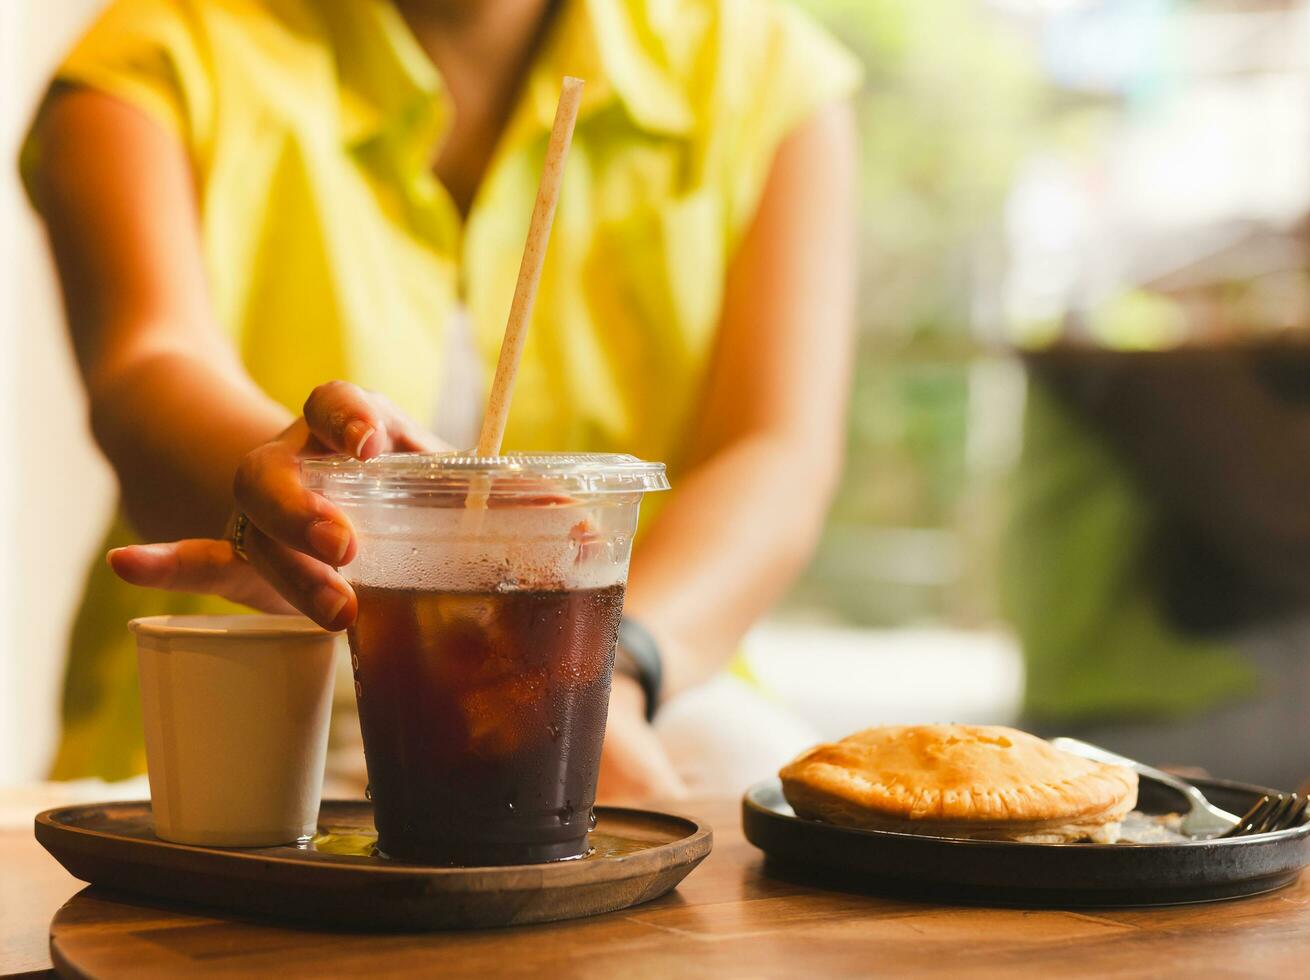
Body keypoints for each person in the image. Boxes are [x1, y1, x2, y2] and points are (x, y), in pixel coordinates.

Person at [21, 0, 859, 800]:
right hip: (257, 693)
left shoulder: (763, 76)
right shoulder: (158, 56)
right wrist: (296, 491)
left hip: (641, 682)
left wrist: (607, 669)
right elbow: (145, 368)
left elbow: (775, 454)